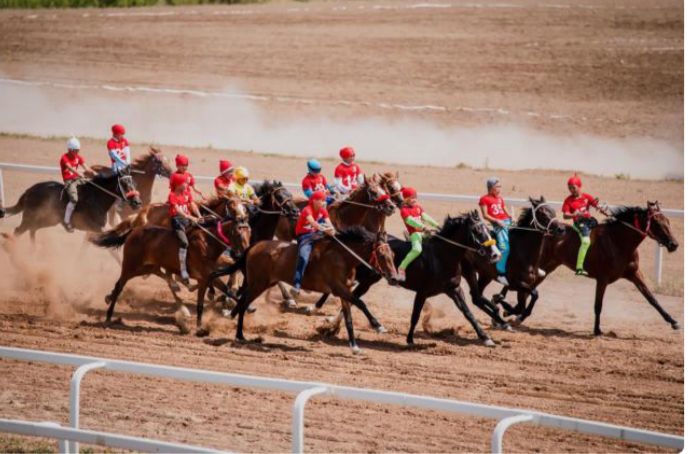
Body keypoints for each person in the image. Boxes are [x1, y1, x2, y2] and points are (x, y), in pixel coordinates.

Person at [562, 173, 608, 276]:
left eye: (573, 187)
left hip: (589, 221)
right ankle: (579, 267)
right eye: (569, 188)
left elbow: (596, 205)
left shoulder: (586, 197)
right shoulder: (568, 200)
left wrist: (601, 209)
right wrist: (574, 214)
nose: (571, 190)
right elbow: (565, 215)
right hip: (579, 223)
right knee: (586, 241)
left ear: (579, 186)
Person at [291, 191, 335, 296]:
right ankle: (296, 284)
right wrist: (325, 230)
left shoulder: (323, 210)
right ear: (314, 200)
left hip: (317, 234)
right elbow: (314, 224)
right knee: (303, 257)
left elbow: (329, 224)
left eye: (324, 200)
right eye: (322, 200)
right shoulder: (307, 209)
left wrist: (332, 230)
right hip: (305, 236)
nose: (324, 202)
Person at [397, 187, 438, 281]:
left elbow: (426, 217)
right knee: (417, 249)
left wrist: (437, 225)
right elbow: (410, 221)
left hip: (424, 232)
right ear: (406, 199)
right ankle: (402, 267)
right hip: (415, 233)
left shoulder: (418, 207)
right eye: (411, 198)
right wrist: (423, 227)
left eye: (415, 197)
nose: (414, 199)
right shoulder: (404, 210)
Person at [168, 172, 201, 285]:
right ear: (177, 184)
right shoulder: (172, 195)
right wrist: (190, 217)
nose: (187, 184)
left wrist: (199, 216)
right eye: (184, 183)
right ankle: (182, 270)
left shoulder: (187, 193)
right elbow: (177, 210)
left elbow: (192, 204)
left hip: (187, 220)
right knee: (184, 242)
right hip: (177, 221)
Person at [479, 177, 512, 286]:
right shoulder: (484, 199)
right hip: (498, 225)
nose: (499, 188)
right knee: (504, 248)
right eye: (497, 186)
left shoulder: (500, 198)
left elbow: (505, 210)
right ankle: (500, 273)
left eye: (499, 186)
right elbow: (485, 215)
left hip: (507, 222)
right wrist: (497, 221)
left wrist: (511, 217)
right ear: (491, 188)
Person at [60, 137, 93, 232]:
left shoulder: (78, 157)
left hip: (77, 179)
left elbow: (86, 167)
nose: (77, 153)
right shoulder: (64, 158)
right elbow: (70, 168)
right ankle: (66, 221)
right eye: (75, 151)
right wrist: (80, 174)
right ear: (70, 150)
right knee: (74, 199)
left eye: (78, 150)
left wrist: (94, 174)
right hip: (69, 181)